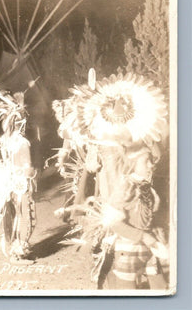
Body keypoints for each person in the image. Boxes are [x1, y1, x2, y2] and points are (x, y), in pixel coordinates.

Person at [54, 71, 169, 289]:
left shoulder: (106, 140)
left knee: (115, 247)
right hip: (129, 199)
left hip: (118, 199)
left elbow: (93, 167)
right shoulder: (138, 136)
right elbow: (153, 157)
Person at [0, 89, 36, 264]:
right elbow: (27, 168)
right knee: (25, 217)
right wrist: (33, 175)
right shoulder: (22, 142)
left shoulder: (4, 139)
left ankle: (14, 249)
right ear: (20, 122)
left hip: (8, 183)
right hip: (20, 183)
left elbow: (1, 161)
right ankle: (18, 253)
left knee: (13, 216)